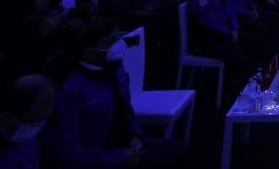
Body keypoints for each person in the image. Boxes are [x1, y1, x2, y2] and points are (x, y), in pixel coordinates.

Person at [41, 22, 182, 168]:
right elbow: (68, 152)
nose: (118, 45)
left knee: (178, 150)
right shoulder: (70, 89)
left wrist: (135, 136)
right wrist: (119, 158)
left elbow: (126, 110)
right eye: (110, 42)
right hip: (98, 158)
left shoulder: (116, 69)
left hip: (124, 146)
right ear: (88, 50)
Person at [187, 0, 245, 68]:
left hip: (224, 33)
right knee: (240, 55)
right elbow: (209, 21)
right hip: (209, 39)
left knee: (253, 38)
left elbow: (230, 10)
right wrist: (229, 33)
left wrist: (235, 28)